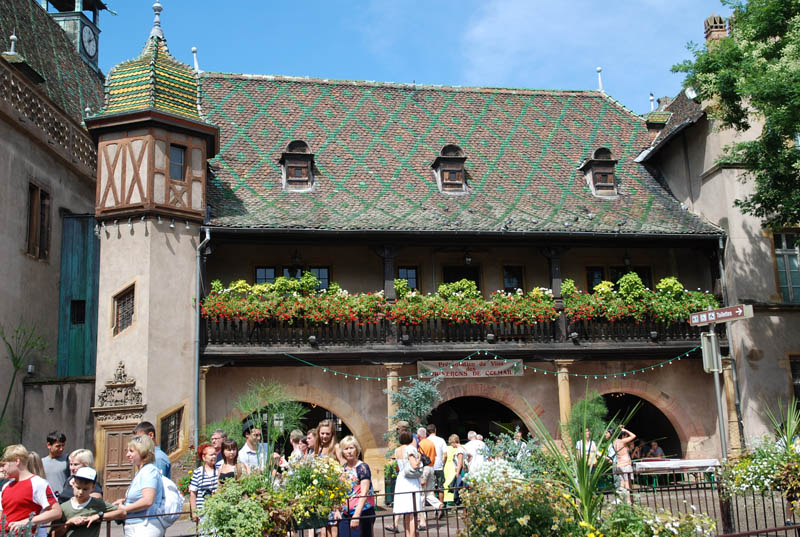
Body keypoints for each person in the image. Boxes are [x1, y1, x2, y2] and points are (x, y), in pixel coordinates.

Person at [0, 445, 62, 536]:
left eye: (4, 465)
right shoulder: (6, 486)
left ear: (17, 461)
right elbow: (3, 514)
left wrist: (26, 522)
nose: (2, 469)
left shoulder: (38, 483)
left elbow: (56, 512)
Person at [113, 435, 165, 537]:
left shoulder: (149, 471)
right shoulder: (141, 472)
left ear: (142, 451)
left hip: (145, 527)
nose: (127, 455)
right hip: (136, 526)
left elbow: (148, 500)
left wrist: (125, 508)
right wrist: (124, 500)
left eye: (131, 451)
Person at [53, 467, 125, 537]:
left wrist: (98, 516)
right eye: (78, 488)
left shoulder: (97, 503)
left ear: (93, 488)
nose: (81, 492)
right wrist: (68, 523)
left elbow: (122, 512)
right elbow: (54, 534)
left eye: (85, 489)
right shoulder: (63, 507)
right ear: (73, 484)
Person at [335, 436, 375, 537]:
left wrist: (356, 515)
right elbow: (338, 491)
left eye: (351, 448)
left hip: (362, 512)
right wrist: (337, 510)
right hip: (345, 513)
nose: (349, 451)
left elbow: (364, 492)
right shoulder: (342, 469)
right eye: (346, 449)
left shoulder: (362, 467)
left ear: (356, 449)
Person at [392, 430, 421, 537]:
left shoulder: (397, 450)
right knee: (412, 512)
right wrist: (419, 458)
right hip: (410, 480)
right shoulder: (410, 449)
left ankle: (407, 534)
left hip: (401, 480)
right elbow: (414, 465)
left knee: (405, 512)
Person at [416, 428, 441, 529]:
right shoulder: (431, 443)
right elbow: (434, 456)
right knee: (429, 492)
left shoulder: (420, 444)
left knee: (421, 494)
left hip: (424, 469)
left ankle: (422, 517)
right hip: (431, 467)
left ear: (419, 436)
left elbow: (418, 457)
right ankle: (438, 504)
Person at [189, 445, 218, 524]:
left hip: (217, 511)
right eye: (211, 455)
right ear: (204, 457)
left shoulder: (219, 470)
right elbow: (193, 493)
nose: (214, 456)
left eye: (215, 454)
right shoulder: (198, 472)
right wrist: (194, 512)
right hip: (203, 512)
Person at [425, 425, 448, 507]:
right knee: (441, 487)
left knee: (432, 488)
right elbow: (445, 455)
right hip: (439, 466)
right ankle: (441, 505)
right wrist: (443, 464)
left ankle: (436, 507)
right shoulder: (441, 440)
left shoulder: (426, 441)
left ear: (427, 432)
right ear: (435, 430)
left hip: (429, 466)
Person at [42, 431, 70, 498]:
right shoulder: (41, 462)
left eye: (63, 445)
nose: (61, 449)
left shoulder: (68, 460)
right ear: (49, 445)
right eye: (58, 446)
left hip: (63, 499)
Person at [612, 426, 636, 503]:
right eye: (625, 436)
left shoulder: (614, 442)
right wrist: (625, 430)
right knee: (627, 483)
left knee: (622, 484)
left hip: (619, 464)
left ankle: (621, 500)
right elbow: (633, 436)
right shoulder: (622, 441)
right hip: (625, 464)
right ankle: (628, 501)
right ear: (623, 435)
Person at [443, 435, 464, 505]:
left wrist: (443, 463)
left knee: (448, 483)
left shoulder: (448, 448)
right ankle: (455, 499)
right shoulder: (462, 447)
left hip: (449, 466)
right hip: (456, 467)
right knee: (456, 483)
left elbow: (445, 457)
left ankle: (448, 500)